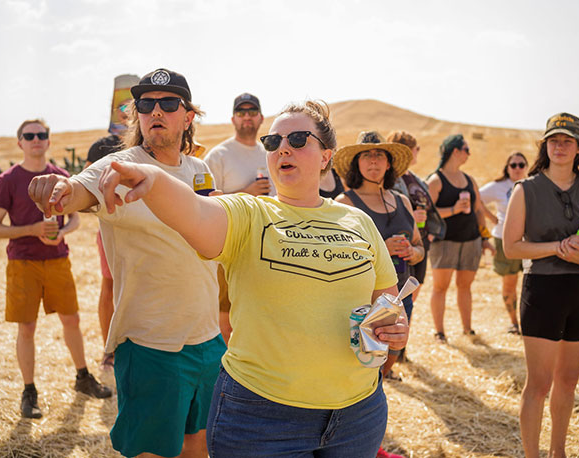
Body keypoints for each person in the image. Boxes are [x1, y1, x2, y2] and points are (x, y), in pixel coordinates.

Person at [80, 100, 409, 457]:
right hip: (262, 418)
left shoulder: (358, 222)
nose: (283, 148)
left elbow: (388, 305)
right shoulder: (249, 212)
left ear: (326, 156)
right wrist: (157, 179)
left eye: (298, 139)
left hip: (357, 415)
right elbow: (196, 213)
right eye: (273, 142)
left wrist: (394, 329)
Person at [29, 68, 225, 458]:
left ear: (188, 117)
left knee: (199, 446)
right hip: (151, 343)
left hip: (207, 340)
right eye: (146, 104)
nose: (156, 111)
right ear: (136, 114)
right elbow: (80, 189)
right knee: (149, 452)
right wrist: (61, 189)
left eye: (168, 103)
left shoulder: (199, 170)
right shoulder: (119, 166)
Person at [0, 119, 111, 419]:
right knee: (27, 327)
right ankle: (29, 391)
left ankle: (83, 377)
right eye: (29, 136)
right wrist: (33, 230)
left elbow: (76, 219)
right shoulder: (8, 180)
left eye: (41, 135)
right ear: (20, 143)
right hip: (23, 262)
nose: (36, 140)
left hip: (57, 260)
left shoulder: (61, 176)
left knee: (72, 320)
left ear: (49, 141)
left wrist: (60, 233)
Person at [504, 113, 579, 458]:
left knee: (568, 383)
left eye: (567, 140)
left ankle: (558, 452)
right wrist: (558, 248)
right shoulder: (526, 189)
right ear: (545, 146)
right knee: (539, 385)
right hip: (542, 291)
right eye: (554, 140)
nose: (560, 146)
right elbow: (511, 247)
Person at [334, 131, 424, 372]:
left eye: (379, 155)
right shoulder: (345, 203)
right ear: (357, 163)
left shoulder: (403, 201)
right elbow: (337, 255)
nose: (373, 161)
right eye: (366, 155)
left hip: (400, 297)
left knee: (388, 363)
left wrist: (412, 253)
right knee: (362, 367)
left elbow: (419, 246)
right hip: (362, 302)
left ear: (388, 163)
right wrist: (382, 248)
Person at [203, 93, 272, 343]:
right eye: (241, 113)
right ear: (233, 118)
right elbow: (205, 203)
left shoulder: (270, 154)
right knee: (226, 312)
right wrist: (247, 193)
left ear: (261, 118)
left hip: (266, 247)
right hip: (229, 247)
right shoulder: (218, 156)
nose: (246, 117)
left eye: (252, 112)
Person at [426, 134, 494, 342]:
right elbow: (428, 214)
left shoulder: (469, 180)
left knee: (465, 286)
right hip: (444, 241)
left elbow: (478, 210)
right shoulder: (435, 181)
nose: (469, 154)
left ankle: (467, 329)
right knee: (440, 287)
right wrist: (454, 209)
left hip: (470, 240)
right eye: (467, 149)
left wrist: (484, 237)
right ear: (455, 151)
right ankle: (440, 332)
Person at [86, 96, 133, 370]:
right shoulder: (99, 147)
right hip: (110, 228)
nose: (125, 113)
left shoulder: (143, 146)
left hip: (142, 224)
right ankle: (109, 350)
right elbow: (86, 185)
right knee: (110, 286)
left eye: (130, 108)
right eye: (121, 108)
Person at [387, 130, 446, 300]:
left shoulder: (414, 178)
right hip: (403, 244)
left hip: (421, 242)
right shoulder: (392, 179)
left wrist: (432, 233)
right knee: (401, 298)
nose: (418, 151)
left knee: (412, 295)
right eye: (416, 148)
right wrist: (410, 216)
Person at [479, 152, 529, 335]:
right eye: (513, 165)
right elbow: (476, 197)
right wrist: (491, 217)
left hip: (530, 242)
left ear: (526, 167)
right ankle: (514, 323)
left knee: (531, 284)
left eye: (521, 165)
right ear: (507, 168)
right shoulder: (499, 186)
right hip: (504, 240)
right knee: (510, 284)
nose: (517, 168)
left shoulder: (531, 185)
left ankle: (528, 322)